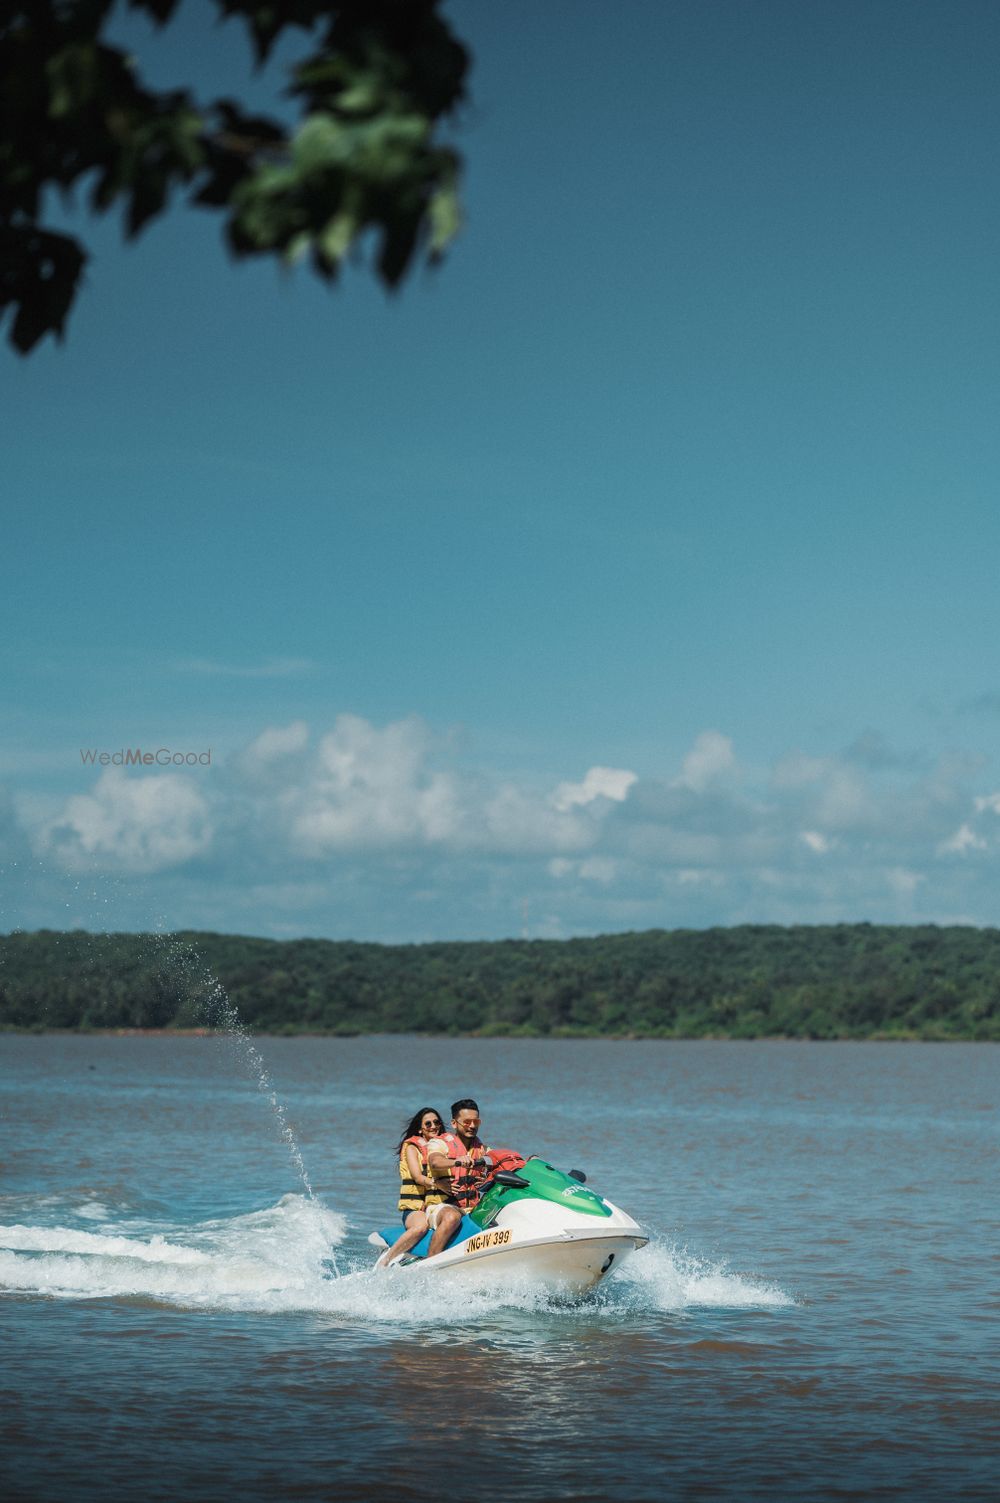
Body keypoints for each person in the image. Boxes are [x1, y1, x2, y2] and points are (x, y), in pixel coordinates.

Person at [377, 1107, 462, 1267]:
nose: (433, 1126)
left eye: (436, 1122)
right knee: (421, 1227)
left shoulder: (444, 1147)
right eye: (428, 1124)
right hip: (415, 1208)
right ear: (420, 1129)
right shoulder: (412, 1148)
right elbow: (417, 1176)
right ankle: (387, 1259)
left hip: (436, 1205)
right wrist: (438, 1184)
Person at [424, 1098, 491, 1256]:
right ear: (454, 1123)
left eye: (476, 1121)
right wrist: (456, 1161)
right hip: (441, 1207)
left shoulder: (484, 1150)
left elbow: (502, 1163)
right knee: (451, 1217)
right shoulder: (439, 1144)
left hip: (473, 1208)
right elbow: (434, 1161)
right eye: (467, 1122)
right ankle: (430, 1265)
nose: (472, 1126)